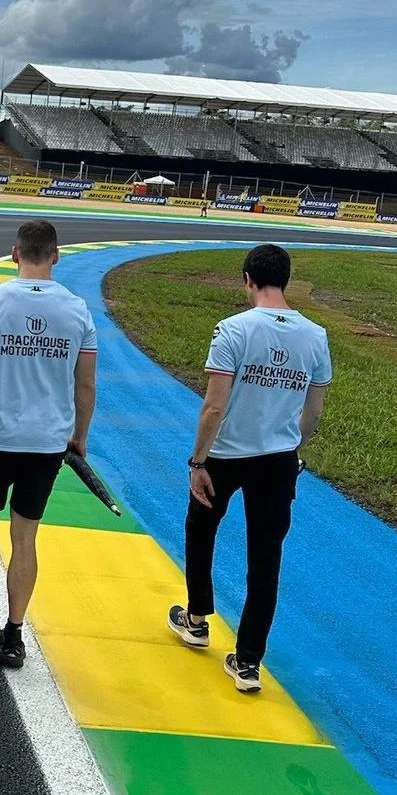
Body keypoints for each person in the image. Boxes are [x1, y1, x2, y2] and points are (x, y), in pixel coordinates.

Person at [167, 244, 331, 693]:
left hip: (225, 455)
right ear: (286, 280)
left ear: (247, 279)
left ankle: (196, 619)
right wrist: (294, 449)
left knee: (201, 530)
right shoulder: (315, 336)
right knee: (266, 558)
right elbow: (314, 410)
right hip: (277, 460)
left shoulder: (232, 330)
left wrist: (198, 460)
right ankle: (248, 662)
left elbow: (214, 406)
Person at [0, 219, 97, 669]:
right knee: (25, 535)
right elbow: (86, 386)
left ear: (14, 254)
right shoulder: (78, 311)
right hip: (46, 443)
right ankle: (15, 634)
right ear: (56, 256)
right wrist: (79, 438)